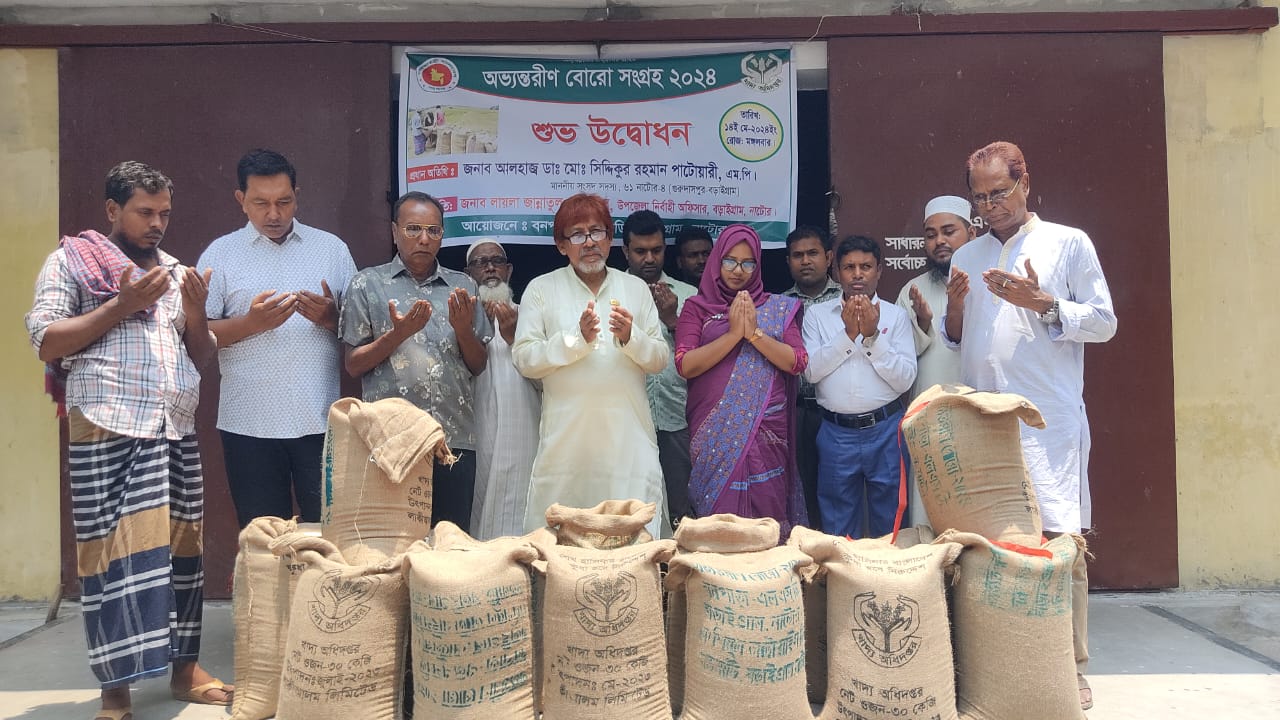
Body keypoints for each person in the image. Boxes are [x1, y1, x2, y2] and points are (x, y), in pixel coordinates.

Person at [25, 161, 232, 720]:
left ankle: (184, 669)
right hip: (107, 422)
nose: (157, 223)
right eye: (145, 212)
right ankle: (115, 691)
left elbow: (202, 356)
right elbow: (45, 340)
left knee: (181, 555)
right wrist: (121, 304)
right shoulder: (70, 260)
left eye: (164, 212)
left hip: (173, 426)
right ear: (113, 209)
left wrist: (193, 313)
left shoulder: (174, 270)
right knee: (111, 558)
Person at [943, 140, 1117, 711]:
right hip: (983, 422)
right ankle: (998, 666)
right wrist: (952, 317)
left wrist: (1043, 303)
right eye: (980, 197)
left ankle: (1072, 670)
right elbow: (961, 341)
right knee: (990, 546)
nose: (991, 206)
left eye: (1001, 192)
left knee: (1060, 541)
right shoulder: (966, 257)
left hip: (1049, 424)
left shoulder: (1067, 243)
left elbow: (1104, 322)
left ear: (1025, 183)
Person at [198, 149, 357, 529]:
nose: (274, 214)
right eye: (261, 203)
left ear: (297, 195)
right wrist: (251, 323)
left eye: (284, 201)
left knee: (327, 538)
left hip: (319, 422)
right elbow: (196, 335)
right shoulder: (220, 255)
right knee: (262, 540)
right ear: (241, 201)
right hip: (247, 425)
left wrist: (331, 318)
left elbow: (360, 329)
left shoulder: (331, 250)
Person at [512, 193, 669, 537]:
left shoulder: (635, 289)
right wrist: (575, 339)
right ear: (561, 245)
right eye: (578, 235)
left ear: (611, 239)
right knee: (561, 539)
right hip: (567, 444)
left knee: (633, 536)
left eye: (597, 232)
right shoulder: (541, 289)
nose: (589, 243)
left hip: (627, 442)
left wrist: (631, 337)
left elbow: (660, 358)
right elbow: (524, 359)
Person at [340, 191, 491, 533]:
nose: (424, 238)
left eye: (433, 230)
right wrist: (400, 333)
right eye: (413, 229)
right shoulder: (368, 284)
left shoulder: (463, 285)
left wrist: (463, 330)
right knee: (392, 546)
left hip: (452, 440)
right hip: (390, 443)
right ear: (394, 232)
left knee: (450, 546)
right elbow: (353, 365)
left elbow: (478, 364)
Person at [675, 224, 809, 537]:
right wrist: (735, 334)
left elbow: (798, 361)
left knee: (767, 520)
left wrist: (755, 334)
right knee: (718, 520)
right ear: (716, 262)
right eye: (730, 261)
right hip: (713, 433)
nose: (739, 271)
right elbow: (685, 364)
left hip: (767, 434)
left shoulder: (777, 309)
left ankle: (767, 581)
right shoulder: (696, 308)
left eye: (748, 263)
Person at [804, 235, 916, 539]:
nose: (857, 274)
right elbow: (811, 371)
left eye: (865, 266)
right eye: (849, 267)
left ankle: (893, 583)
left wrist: (871, 338)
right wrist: (848, 334)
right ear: (837, 272)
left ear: (879, 270)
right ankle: (844, 583)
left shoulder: (896, 316)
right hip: (836, 432)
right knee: (838, 521)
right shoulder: (816, 316)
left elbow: (905, 379)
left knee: (891, 517)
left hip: (886, 428)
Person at [894, 195, 975, 526]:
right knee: (927, 510)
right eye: (930, 234)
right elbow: (898, 361)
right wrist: (923, 324)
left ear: (971, 233)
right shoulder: (911, 290)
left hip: (979, 413)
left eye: (948, 231)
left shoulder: (990, 283)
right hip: (929, 419)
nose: (939, 241)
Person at [622, 210, 698, 527]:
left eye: (657, 250)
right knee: (632, 508)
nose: (650, 258)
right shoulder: (613, 295)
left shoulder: (690, 296)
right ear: (625, 251)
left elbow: (701, 362)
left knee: (682, 509)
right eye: (640, 251)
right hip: (627, 419)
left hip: (677, 416)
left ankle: (682, 572)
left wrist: (672, 321)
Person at [464, 238, 541, 540]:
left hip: (522, 431)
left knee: (519, 508)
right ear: (467, 272)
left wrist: (514, 337)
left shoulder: (530, 316)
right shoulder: (459, 319)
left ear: (509, 270)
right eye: (481, 262)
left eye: (496, 261)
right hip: (476, 429)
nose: (490, 268)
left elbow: (548, 380)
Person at [781, 225, 842, 530]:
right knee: (800, 484)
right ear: (788, 261)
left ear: (829, 257)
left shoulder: (849, 299)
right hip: (795, 410)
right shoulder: (776, 305)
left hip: (837, 413)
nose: (805, 261)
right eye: (797, 255)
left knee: (836, 486)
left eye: (813, 253)